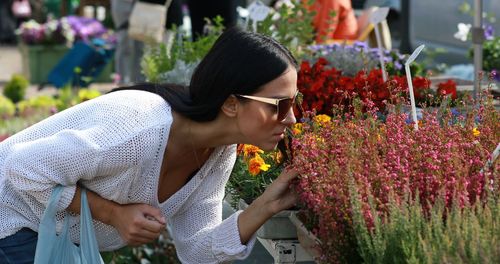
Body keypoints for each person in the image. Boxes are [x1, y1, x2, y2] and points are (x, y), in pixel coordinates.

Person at [0, 27, 300, 263]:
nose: (292, 119)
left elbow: (198, 252)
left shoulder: (218, 154)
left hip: (48, 238)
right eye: (280, 104)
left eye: (294, 102)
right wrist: (112, 214)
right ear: (232, 103)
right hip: (10, 220)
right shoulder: (140, 127)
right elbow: (20, 168)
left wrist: (266, 206)